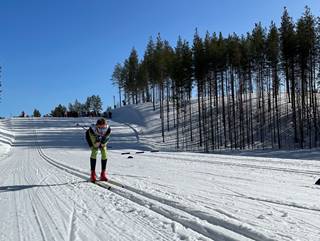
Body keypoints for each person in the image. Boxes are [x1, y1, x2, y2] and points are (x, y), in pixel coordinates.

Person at [85, 118, 111, 182]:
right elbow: (93, 142)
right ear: (97, 126)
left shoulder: (108, 130)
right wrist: (95, 143)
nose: (102, 130)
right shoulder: (92, 130)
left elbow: (106, 140)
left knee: (104, 153)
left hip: (102, 140)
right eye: (100, 128)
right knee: (94, 151)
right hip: (92, 139)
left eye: (103, 128)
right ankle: (92, 174)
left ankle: (103, 173)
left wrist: (103, 142)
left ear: (106, 125)